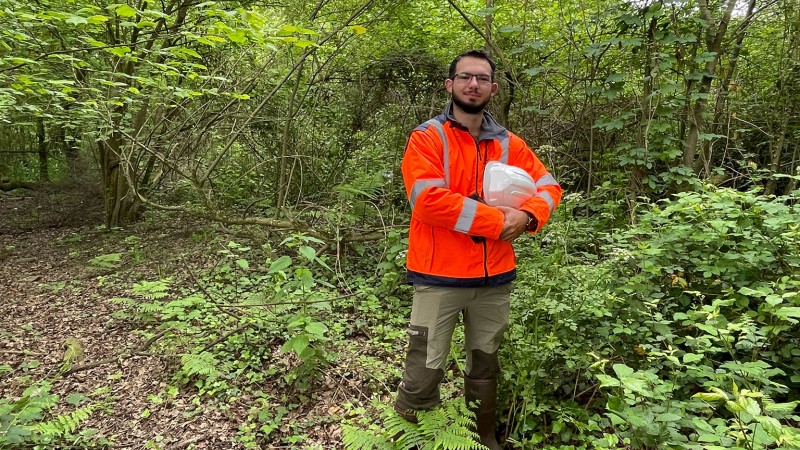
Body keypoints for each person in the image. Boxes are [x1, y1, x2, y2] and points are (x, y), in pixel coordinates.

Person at [394, 49, 562, 449]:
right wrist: (500, 222)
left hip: (494, 277)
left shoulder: (510, 143)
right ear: (450, 84)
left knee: (485, 363)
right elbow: (427, 200)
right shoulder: (427, 138)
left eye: (482, 78)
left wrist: (530, 217)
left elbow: (549, 187)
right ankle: (411, 434)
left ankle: (482, 438)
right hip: (439, 276)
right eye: (466, 77)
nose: (474, 84)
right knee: (426, 363)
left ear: (494, 88)